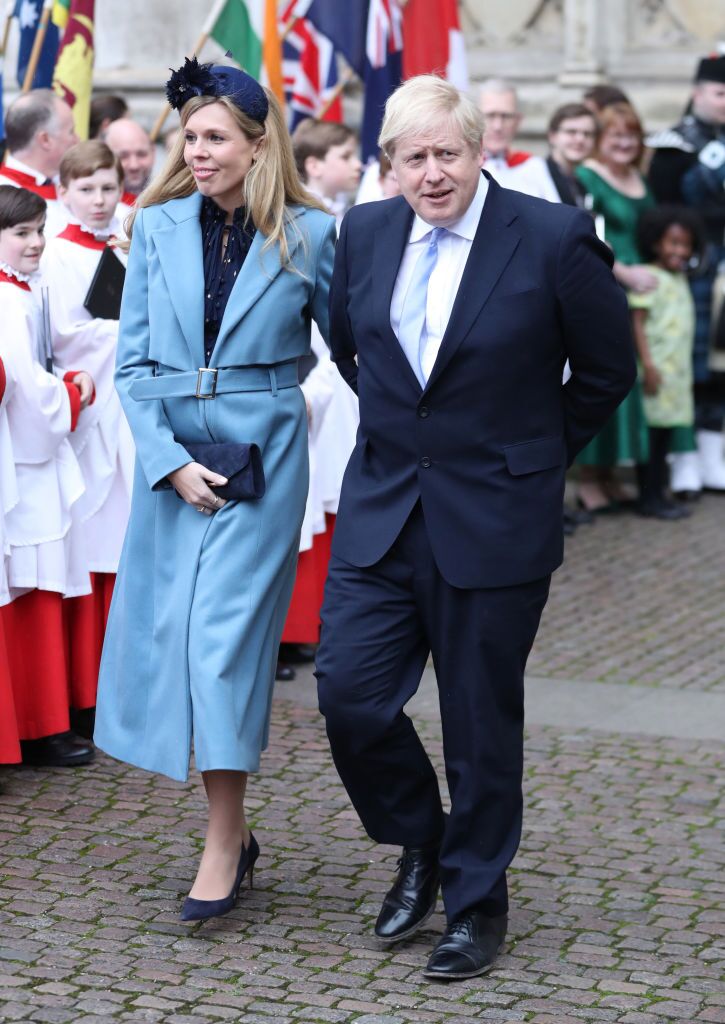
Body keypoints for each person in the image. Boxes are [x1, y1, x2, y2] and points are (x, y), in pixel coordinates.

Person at [315, 75, 635, 980]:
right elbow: (352, 346)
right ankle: (421, 836)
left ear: (477, 150)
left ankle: (475, 902)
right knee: (349, 694)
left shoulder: (549, 237)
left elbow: (605, 370)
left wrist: (528, 456)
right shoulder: (365, 231)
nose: (429, 174)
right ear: (390, 167)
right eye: (410, 159)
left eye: (444, 154)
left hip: (493, 519)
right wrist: (399, 435)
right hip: (383, 511)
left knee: (478, 721)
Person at [93, 58, 336, 923]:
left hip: (263, 462)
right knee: (171, 638)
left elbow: (357, 348)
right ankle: (228, 826)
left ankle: (224, 839)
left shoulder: (310, 234)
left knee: (219, 645)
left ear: (257, 144)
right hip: (173, 462)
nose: (197, 152)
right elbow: (131, 366)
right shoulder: (153, 228)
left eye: (214, 138)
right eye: (189, 137)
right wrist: (166, 461)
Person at [42, 141, 135, 736]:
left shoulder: (132, 243)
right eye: (87, 190)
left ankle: (127, 687)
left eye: (108, 187)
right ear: (65, 191)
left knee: (130, 549)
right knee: (90, 553)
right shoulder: (54, 257)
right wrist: (130, 328)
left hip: (134, 416)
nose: (100, 200)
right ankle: (85, 690)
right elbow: (64, 338)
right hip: (91, 418)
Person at [0, 185, 95, 767]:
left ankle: (43, 721)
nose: (36, 242)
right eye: (21, 234)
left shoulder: (24, 290)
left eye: (39, 231)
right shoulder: (9, 301)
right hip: (21, 463)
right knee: (31, 588)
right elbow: (29, 391)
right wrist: (70, 393)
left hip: (30, 459)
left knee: (40, 585)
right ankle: (37, 725)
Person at [278, 120, 361, 669]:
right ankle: (287, 627)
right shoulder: (302, 228)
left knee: (328, 497)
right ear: (310, 164)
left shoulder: (338, 222)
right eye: (345, 154)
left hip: (333, 378)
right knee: (298, 501)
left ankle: (316, 619)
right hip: (302, 378)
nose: (357, 164)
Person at [648, 52, 725, 494]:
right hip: (690, 268)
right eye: (718, 92)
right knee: (685, 366)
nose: (724, 101)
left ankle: (712, 458)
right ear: (697, 93)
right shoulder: (672, 145)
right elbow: (664, 210)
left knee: (719, 366)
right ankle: (683, 460)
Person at [574, 102, 656, 512]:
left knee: (629, 382)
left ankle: (608, 473)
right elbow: (587, 234)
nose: (624, 143)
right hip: (606, 284)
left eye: (631, 135)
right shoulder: (589, 176)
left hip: (641, 292)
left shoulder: (638, 177)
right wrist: (623, 272)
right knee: (603, 375)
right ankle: (588, 477)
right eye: (615, 136)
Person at [630, 206, 702, 519]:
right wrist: (648, 365)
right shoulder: (649, 277)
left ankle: (659, 494)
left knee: (665, 440)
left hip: (676, 376)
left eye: (685, 244)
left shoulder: (681, 278)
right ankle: (648, 499)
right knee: (652, 440)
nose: (679, 250)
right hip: (655, 372)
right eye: (672, 243)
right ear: (656, 242)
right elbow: (637, 323)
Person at [0, 90, 78, 237]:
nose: (77, 140)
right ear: (45, 140)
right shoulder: (2, 193)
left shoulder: (73, 185)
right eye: (71, 132)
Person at [505, 102, 598, 206]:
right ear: (552, 136)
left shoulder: (581, 180)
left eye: (587, 134)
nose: (580, 139)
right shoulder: (531, 173)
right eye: (571, 132)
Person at [478, 78, 531, 181]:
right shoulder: (462, 168)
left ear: (518, 121)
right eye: (490, 115)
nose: (498, 126)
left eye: (506, 116)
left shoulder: (534, 167)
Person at [105, 117, 155, 205]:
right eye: (123, 156)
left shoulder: (170, 200)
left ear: (153, 152)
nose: (134, 165)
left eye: (141, 154)